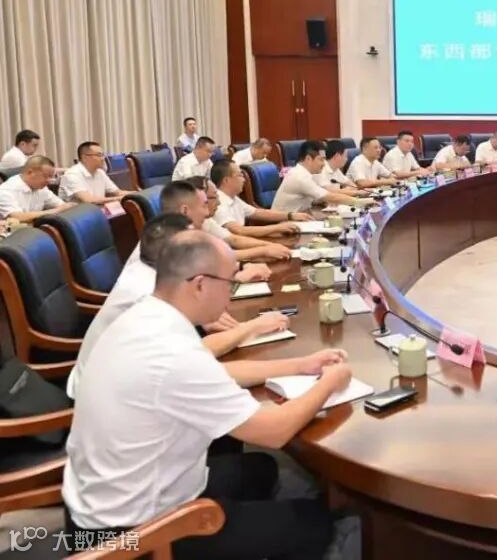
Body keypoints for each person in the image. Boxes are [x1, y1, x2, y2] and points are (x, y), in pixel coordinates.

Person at [63, 230, 351, 559]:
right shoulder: (172, 353)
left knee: (260, 469)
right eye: (229, 282)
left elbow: (213, 374)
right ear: (199, 284)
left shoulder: (148, 315)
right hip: (134, 535)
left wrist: (300, 365)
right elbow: (274, 431)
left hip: (103, 502)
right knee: (316, 525)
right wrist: (330, 382)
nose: (231, 292)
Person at [68, 214, 290, 400]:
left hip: (125, 387)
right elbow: (198, 353)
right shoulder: (147, 294)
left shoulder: (157, 275)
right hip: (106, 401)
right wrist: (252, 327)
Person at [163, 179, 290, 263]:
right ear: (185, 210)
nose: (207, 213)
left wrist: (267, 248)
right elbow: (214, 258)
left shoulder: (197, 224)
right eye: (204, 205)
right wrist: (262, 251)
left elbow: (229, 242)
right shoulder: (172, 240)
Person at [210, 160, 312, 238]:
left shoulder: (233, 198)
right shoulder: (219, 203)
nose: (244, 179)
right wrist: (277, 228)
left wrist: (291, 215)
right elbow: (238, 231)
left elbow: (258, 213)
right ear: (226, 180)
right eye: (240, 175)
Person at [273, 140, 372, 214]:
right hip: (284, 223)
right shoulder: (299, 176)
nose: (324, 164)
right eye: (321, 160)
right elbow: (329, 196)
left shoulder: (306, 173)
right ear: (308, 159)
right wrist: (360, 202)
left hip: (300, 216)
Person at [0, 155, 74, 220]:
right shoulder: (5, 191)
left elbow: (61, 205)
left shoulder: (41, 187)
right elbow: (18, 217)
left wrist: (69, 206)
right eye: (46, 176)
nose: (49, 181)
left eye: (51, 177)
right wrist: (56, 211)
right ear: (30, 172)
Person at [59, 141, 131, 204]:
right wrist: (119, 198)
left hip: (98, 211)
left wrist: (135, 194)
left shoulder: (100, 172)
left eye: (103, 155)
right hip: (80, 214)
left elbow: (118, 192)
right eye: (99, 155)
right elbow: (89, 200)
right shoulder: (72, 175)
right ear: (85, 157)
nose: (103, 158)